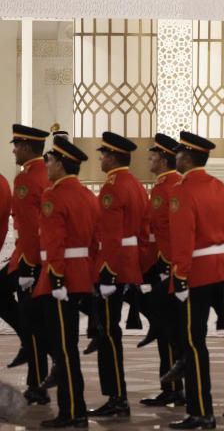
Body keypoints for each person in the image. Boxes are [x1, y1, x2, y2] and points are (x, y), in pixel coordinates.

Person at [168, 131, 224, 430]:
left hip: (195, 272)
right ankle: (200, 408)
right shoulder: (219, 186)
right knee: (197, 342)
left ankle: (201, 411)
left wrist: (179, 277)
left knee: (193, 344)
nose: (175, 157)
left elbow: (183, 238)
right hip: (219, 268)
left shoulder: (183, 190)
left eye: (178, 152)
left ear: (188, 156)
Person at [35, 135, 98, 429]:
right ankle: (75, 407)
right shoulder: (87, 195)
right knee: (66, 345)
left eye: (49, 160)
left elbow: (54, 242)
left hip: (62, 279)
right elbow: (96, 242)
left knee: (65, 349)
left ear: (60, 163)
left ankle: (73, 410)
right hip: (81, 275)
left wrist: (57, 279)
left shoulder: (54, 195)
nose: (46, 165)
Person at [88, 132, 148, 419]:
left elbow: (111, 237)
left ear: (112, 156)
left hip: (114, 266)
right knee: (109, 331)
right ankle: (117, 396)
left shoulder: (113, 187)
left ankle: (117, 397)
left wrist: (107, 274)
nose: (100, 158)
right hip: (129, 263)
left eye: (102, 154)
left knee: (108, 333)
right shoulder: (135, 184)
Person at [0, 125, 50, 404]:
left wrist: (27, 267)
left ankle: (38, 382)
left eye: (17, 145)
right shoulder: (47, 173)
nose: (14, 150)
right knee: (34, 322)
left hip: (30, 259)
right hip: (38, 257)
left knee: (33, 323)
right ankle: (37, 363)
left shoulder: (26, 180)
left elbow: (31, 228)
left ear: (28, 148)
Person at [139, 133, 186, 408]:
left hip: (166, 264)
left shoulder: (168, 187)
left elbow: (172, 232)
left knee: (167, 326)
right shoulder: (163, 186)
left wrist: (166, 265)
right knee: (164, 325)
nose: (150, 158)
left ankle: (173, 387)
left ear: (165, 158)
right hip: (160, 263)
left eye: (154, 154)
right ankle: (170, 387)